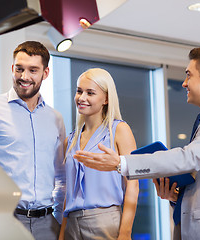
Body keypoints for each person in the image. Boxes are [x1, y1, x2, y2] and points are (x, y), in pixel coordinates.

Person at [73, 46, 200, 240]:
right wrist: (177, 197)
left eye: (189, 75)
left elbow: (189, 157)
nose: (184, 83)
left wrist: (121, 163)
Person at [0, 41, 66, 239]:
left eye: (33, 70)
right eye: (20, 69)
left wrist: (59, 219)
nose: (25, 77)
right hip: (5, 222)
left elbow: (61, 176)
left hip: (48, 224)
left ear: (45, 73)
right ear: (12, 68)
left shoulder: (55, 118)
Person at [58, 68, 139, 240]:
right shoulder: (70, 140)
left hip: (105, 221)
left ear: (106, 99)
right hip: (72, 222)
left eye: (90, 93)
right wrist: (62, 234)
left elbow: (133, 184)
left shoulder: (119, 130)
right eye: (79, 91)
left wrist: (125, 232)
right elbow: (68, 193)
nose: (82, 98)